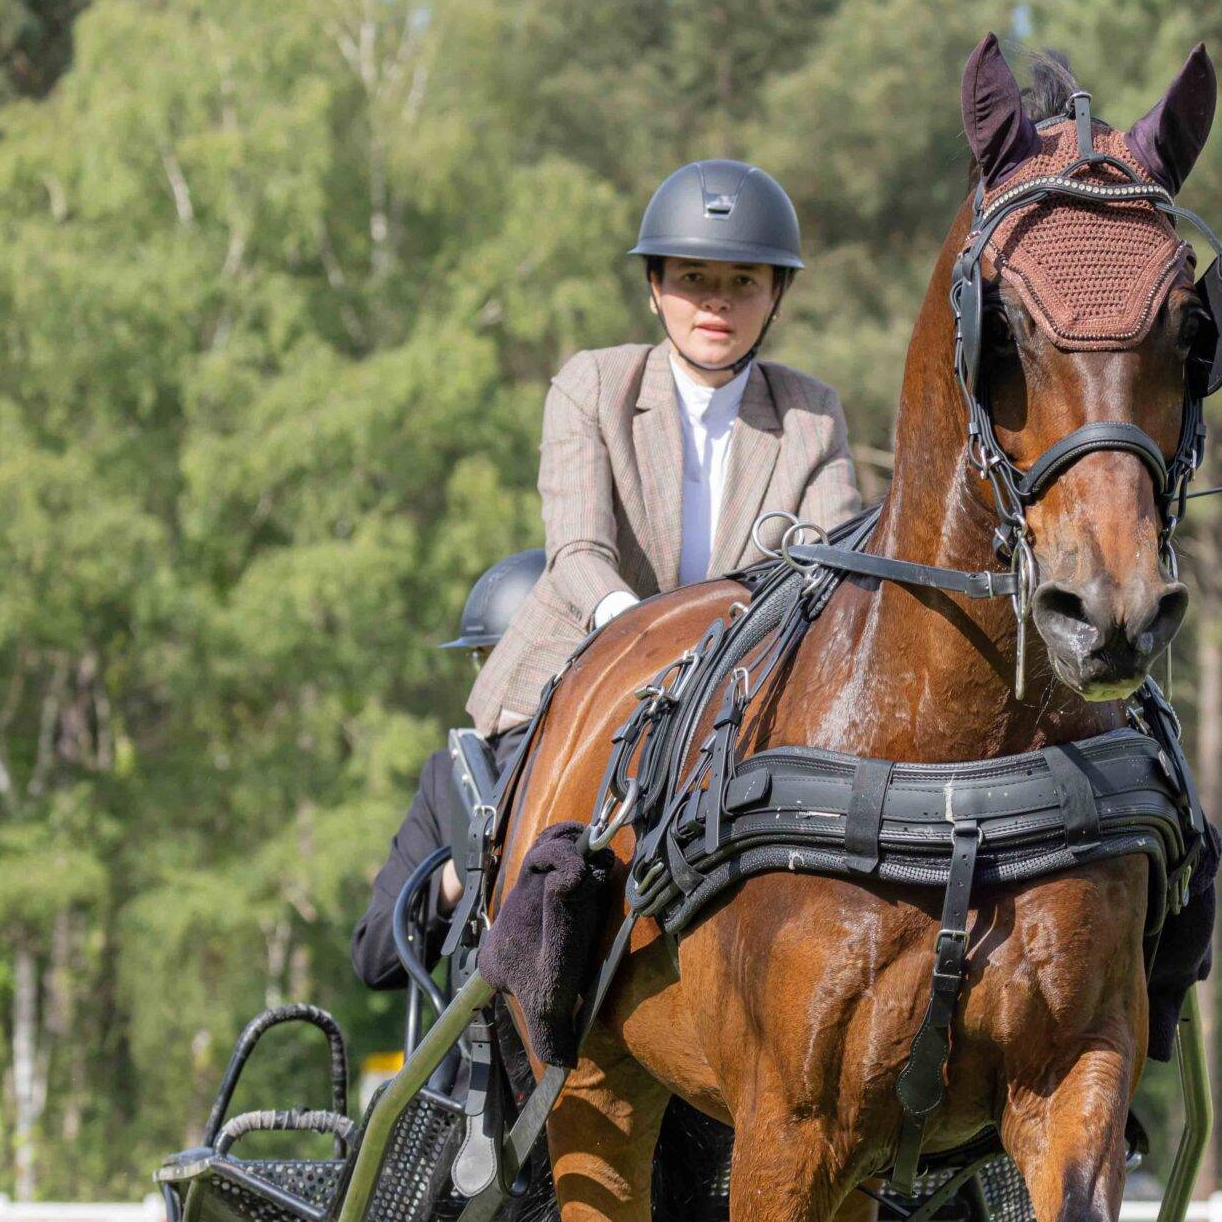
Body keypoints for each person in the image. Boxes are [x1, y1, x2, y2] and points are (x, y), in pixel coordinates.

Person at [465, 160, 863, 736]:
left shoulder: (811, 414)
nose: (717, 303)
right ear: (655, 287)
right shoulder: (593, 386)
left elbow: (826, 571)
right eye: (694, 278)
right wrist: (649, 640)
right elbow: (578, 551)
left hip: (736, 696)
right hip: (575, 673)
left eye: (743, 281)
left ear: (777, 294)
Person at [350, 551, 543, 989]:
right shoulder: (451, 777)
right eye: (481, 659)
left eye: (490, 659)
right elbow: (375, 956)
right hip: (486, 1025)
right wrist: (457, 875)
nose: (486, 677)